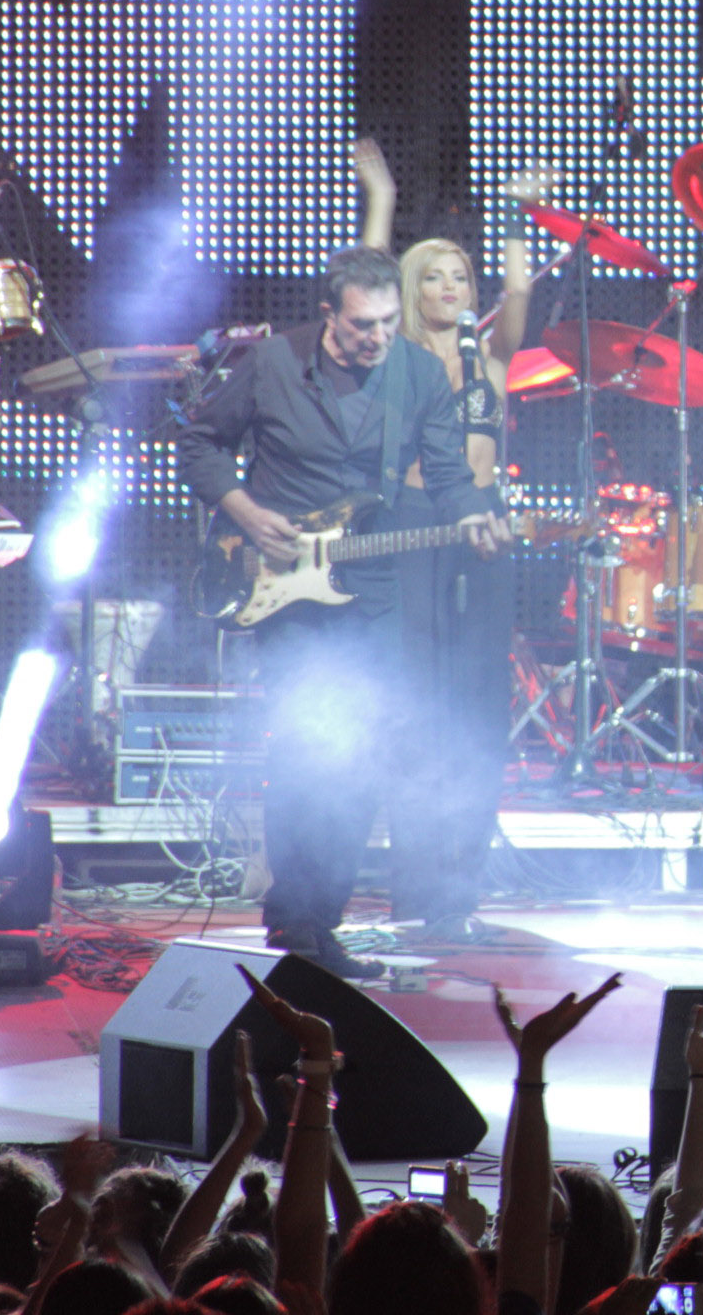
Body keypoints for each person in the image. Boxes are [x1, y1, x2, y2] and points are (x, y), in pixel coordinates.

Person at [174, 245, 505, 979]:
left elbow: (448, 473)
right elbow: (199, 441)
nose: (377, 337)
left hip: (371, 586)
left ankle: (319, 922)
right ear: (330, 314)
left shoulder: (419, 374)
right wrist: (245, 511)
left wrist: (471, 515)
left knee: (360, 752)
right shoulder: (272, 363)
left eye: (388, 322)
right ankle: (296, 922)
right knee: (307, 745)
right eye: (362, 325)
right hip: (283, 581)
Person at [353, 139, 547, 943]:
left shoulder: (489, 357)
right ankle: (414, 884)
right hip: (410, 527)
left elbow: (520, 289)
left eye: (460, 277)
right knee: (415, 706)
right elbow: (365, 279)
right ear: (410, 288)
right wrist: (382, 200)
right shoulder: (393, 356)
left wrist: (516, 213)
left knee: (476, 705)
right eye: (432, 276)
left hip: (484, 532)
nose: (449, 288)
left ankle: (460, 890)